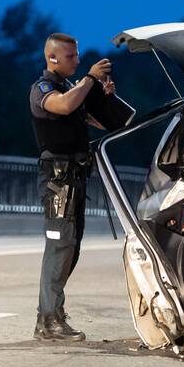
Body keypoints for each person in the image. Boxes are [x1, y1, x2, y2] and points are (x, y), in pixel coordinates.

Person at [29, 32, 115, 341]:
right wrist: (89, 80)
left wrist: (103, 96)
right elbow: (64, 106)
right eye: (71, 57)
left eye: (77, 56)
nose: (77, 61)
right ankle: (49, 319)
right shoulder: (44, 90)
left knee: (71, 249)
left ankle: (50, 315)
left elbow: (103, 123)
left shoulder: (70, 88)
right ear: (52, 58)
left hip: (75, 178)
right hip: (58, 180)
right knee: (59, 247)